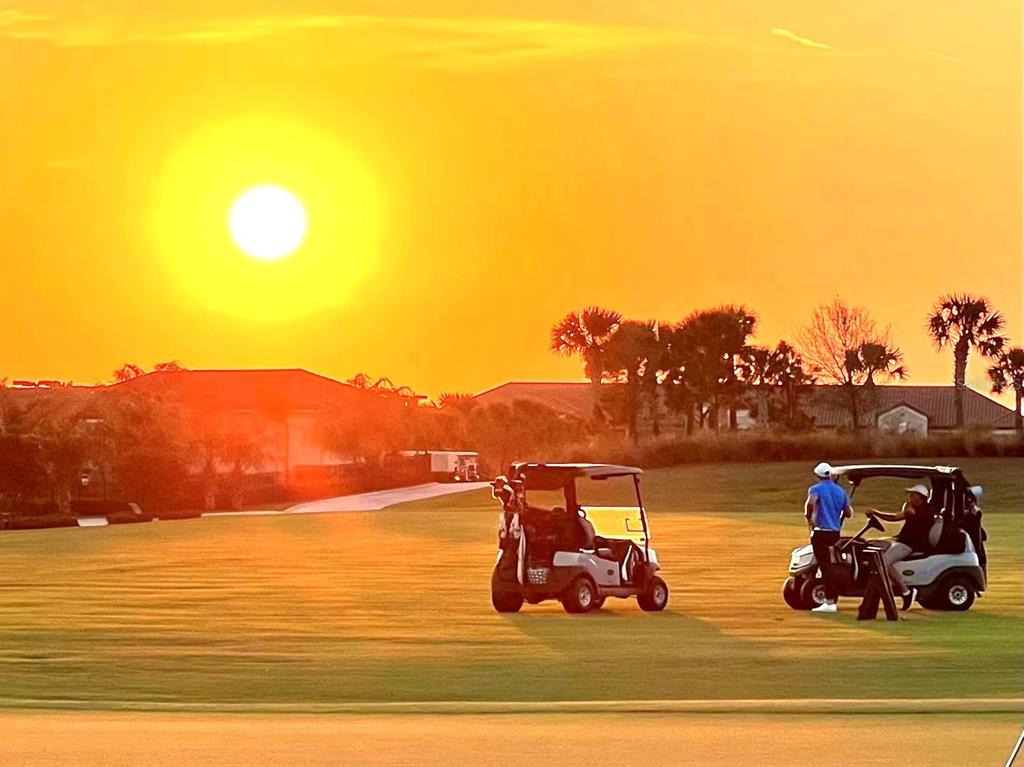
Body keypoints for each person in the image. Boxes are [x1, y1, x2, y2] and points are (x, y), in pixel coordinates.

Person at [867, 484, 937, 610]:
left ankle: (906, 592)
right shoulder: (915, 507)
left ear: (920, 497)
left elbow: (904, 514)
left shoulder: (925, 510)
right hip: (900, 540)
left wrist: (907, 505)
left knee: (882, 560)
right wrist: (875, 513)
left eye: (912, 494)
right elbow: (894, 517)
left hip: (910, 544)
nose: (909, 496)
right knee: (870, 544)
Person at [804, 461, 853, 613]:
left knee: (825, 566)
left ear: (818, 475)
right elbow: (849, 512)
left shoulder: (815, 489)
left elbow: (810, 504)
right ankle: (831, 598)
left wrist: (810, 519)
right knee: (831, 566)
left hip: (821, 532)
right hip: (834, 533)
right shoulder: (840, 491)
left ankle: (830, 602)